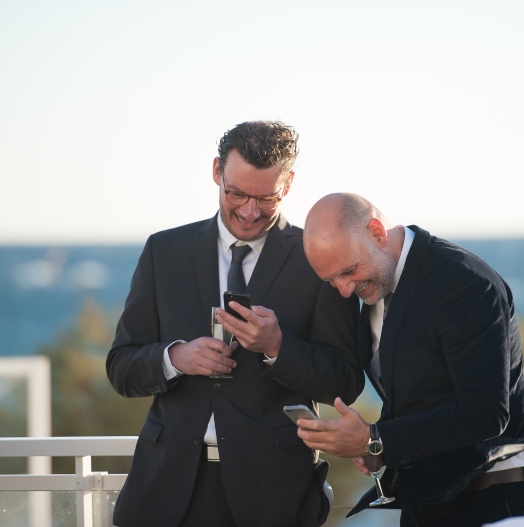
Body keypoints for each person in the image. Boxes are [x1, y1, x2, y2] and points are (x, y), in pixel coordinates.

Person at [106, 122, 363, 527]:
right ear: (216, 172)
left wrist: (279, 347)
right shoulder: (164, 251)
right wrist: (176, 358)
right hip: (164, 491)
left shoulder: (317, 259)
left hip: (274, 495)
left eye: (265, 198)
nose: (248, 211)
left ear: (289, 184)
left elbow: (346, 382)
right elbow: (121, 368)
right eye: (236, 193)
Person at [297, 193, 524, 527]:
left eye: (349, 271)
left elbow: (487, 413)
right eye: (331, 280)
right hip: (427, 503)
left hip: (491, 504)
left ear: (376, 233)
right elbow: (421, 395)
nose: (344, 290)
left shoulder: (463, 281)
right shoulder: (376, 285)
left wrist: (376, 437)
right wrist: (378, 449)